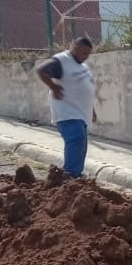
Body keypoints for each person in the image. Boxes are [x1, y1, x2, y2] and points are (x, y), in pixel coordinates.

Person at [36, 36, 97, 178]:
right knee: (76, 139)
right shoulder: (61, 60)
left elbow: (86, 90)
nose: (86, 57)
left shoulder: (83, 66)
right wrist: (53, 87)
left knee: (81, 144)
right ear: (75, 48)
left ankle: (76, 174)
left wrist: (92, 110)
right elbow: (41, 70)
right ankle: (70, 175)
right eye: (84, 53)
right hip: (67, 112)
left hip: (81, 114)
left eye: (88, 54)